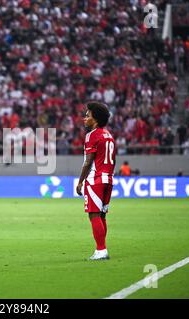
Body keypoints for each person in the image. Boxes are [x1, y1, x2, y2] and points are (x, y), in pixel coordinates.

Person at [76, 102, 116, 261]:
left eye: (88, 115)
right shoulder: (109, 135)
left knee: (93, 215)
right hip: (108, 178)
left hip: (95, 179)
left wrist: (80, 182)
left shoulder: (91, 135)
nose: (84, 118)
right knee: (102, 215)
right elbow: (112, 159)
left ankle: (101, 250)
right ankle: (102, 249)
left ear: (96, 119)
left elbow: (88, 161)